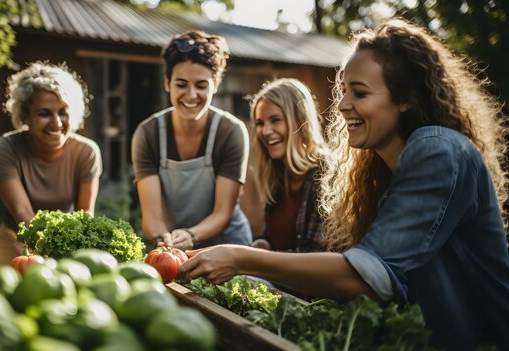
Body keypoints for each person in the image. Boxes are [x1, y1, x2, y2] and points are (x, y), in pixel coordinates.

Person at [180, 19, 509, 350]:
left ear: (405, 98)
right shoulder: (380, 171)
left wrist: (241, 258)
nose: (342, 105)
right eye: (344, 90)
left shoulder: (438, 150)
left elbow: (368, 277)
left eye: (360, 93)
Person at [131, 30, 252, 251]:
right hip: (172, 243)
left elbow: (222, 213)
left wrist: (191, 235)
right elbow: (152, 216)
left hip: (227, 243)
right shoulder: (148, 134)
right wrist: (164, 241)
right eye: (181, 84)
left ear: (215, 84)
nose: (191, 94)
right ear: (167, 83)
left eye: (201, 85)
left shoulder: (230, 132)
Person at [0, 61, 102, 276]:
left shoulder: (87, 152)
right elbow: (23, 213)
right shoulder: (4, 149)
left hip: (66, 246)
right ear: (25, 116)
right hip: (16, 243)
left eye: (63, 112)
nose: (56, 122)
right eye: (44, 113)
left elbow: (85, 214)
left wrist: (64, 252)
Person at [250, 78, 328, 253]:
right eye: (260, 123)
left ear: (299, 120)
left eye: (275, 120)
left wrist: (256, 260)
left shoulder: (327, 174)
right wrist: (264, 243)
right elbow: (275, 238)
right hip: (274, 279)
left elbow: (314, 254)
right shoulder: (278, 173)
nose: (266, 131)